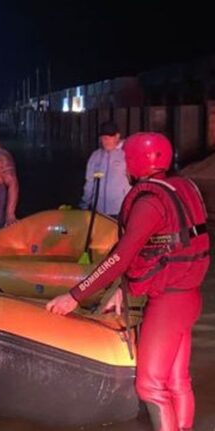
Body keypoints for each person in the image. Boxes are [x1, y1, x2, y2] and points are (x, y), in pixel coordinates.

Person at [46, 133, 210, 431]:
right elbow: (160, 248)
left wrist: (75, 296)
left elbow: (121, 256)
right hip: (189, 297)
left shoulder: (150, 201)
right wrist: (126, 288)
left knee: (149, 386)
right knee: (176, 380)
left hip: (169, 302)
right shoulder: (184, 188)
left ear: (135, 162)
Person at [79, 121, 131, 218]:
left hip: (120, 211)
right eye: (103, 137)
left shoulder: (126, 154)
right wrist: (84, 204)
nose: (106, 140)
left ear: (117, 136)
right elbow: (89, 182)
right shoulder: (95, 156)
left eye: (109, 137)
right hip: (98, 211)